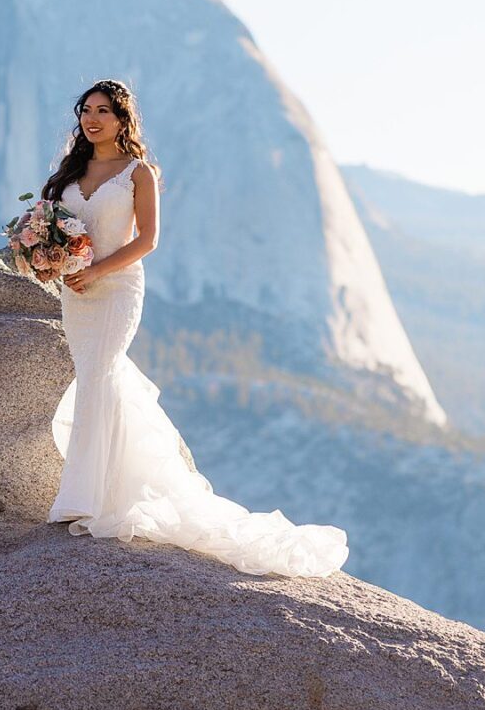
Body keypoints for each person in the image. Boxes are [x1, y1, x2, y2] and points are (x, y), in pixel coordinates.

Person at [35, 78, 349, 578]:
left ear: (123, 120)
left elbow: (148, 241)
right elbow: (55, 229)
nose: (91, 119)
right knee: (98, 379)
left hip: (116, 291)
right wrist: (51, 261)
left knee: (98, 376)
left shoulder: (139, 173)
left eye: (103, 111)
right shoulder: (69, 174)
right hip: (76, 296)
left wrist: (96, 270)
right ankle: (100, 489)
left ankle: (83, 500)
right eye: (86, 111)